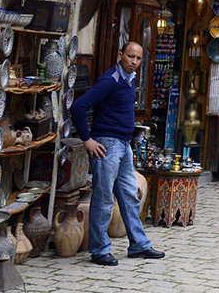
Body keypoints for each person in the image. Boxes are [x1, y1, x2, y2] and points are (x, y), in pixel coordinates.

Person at [70, 42, 164, 266]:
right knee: (103, 198)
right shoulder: (110, 80)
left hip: (123, 144)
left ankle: (139, 245)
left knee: (130, 196)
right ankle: (100, 250)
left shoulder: (129, 79)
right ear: (120, 55)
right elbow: (78, 107)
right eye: (130, 56)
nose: (134, 62)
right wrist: (88, 140)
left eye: (139, 58)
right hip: (107, 144)